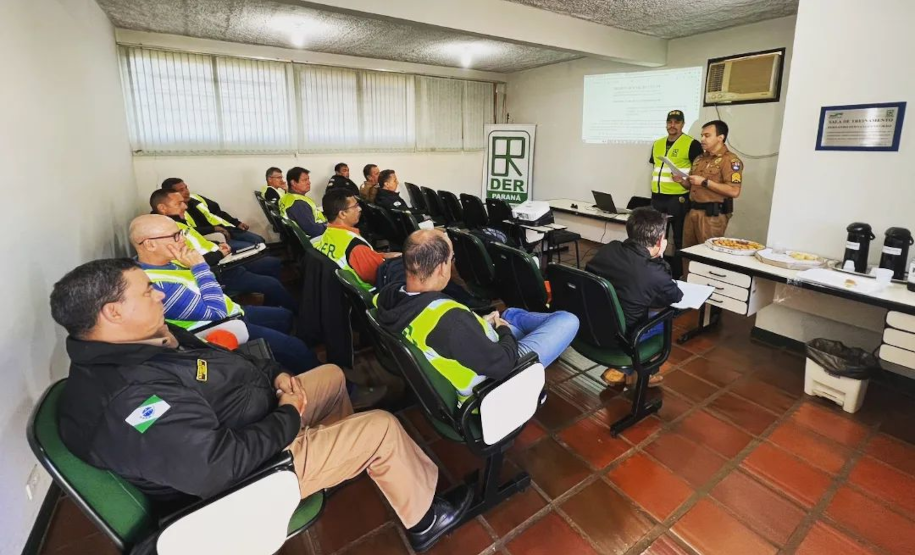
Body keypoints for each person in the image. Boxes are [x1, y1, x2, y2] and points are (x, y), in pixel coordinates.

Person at [49, 258, 472, 553]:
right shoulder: (132, 398)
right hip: (254, 472)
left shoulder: (145, 341)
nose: (159, 295)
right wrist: (288, 415)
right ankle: (426, 520)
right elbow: (220, 466)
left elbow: (219, 362)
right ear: (113, 313)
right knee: (380, 426)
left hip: (255, 414)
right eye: (146, 291)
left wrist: (274, 376)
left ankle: (334, 464)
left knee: (331, 376)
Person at [376, 230, 579, 405]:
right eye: (451, 259)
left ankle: (509, 318)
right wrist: (503, 330)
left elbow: (452, 332)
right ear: (440, 268)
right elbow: (503, 364)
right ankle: (527, 373)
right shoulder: (451, 322)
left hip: (474, 347)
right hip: (494, 383)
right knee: (568, 320)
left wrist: (484, 324)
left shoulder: (389, 294)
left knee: (511, 314)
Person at [131, 214, 320, 375]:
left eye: (181, 233)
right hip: (217, 327)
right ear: (149, 245)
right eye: (175, 236)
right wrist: (199, 266)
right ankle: (332, 386)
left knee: (285, 317)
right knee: (297, 349)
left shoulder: (168, 261)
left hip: (231, 311)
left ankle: (278, 361)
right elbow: (216, 312)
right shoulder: (157, 285)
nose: (182, 240)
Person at [150, 189, 298, 312]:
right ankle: (297, 314)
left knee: (271, 263)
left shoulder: (177, 223)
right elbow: (192, 261)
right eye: (179, 203)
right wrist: (219, 253)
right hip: (220, 271)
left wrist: (217, 245)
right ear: (163, 208)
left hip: (223, 259)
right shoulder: (167, 234)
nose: (185, 207)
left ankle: (273, 308)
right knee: (271, 283)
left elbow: (198, 243)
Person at [585, 207, 683, 387]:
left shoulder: (609, 249)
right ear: (660, 240)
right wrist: (659, 259)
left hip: (591, 325)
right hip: (621, 339)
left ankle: (622, 371)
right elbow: (675, 296)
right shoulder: (654, 273)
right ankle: (641, 372)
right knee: (666, 317)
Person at [673, 120, 744, 254]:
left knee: (707, 256)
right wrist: (681, 181)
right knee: (687, 254)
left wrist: (705, 182)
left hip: (712, 216)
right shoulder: (700, 158)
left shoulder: (730, 160)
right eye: (702, 135)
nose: (702, 139)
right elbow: (693, 186)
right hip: (692, 212)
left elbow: (734, 191)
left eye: (707, 135)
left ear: (720, 138)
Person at [648, 110, 703, 279]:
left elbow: (697, 169)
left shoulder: (691, 144)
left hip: (678, 197)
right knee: (655, 236)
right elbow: (656, 168)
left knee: (678, 238)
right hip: (658, 196)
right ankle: (654, 270)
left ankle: (678, 274)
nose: (672, 125)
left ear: (682, 124)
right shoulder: (657, 143)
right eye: (669, 122)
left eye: (676, 122)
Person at [314, 188, 402, 290]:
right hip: (373, 295)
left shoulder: (329, 234)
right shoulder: (355, 246)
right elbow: (380, 277)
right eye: (355, 206)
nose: (359, 209)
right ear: (342, 214)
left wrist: (381, 255)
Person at [161, 178, 265, 250]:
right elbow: (188, 231)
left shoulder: (196, 198)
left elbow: (217, 212)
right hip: (213, 237)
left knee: (259, 240)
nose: (186, 192)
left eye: (186, 188)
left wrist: (236, 223)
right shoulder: (173, 212)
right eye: (181, 190)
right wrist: (213, 229)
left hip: (228, 228)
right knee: (249, 246)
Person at [279, 167, 327, 238]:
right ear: (293, 183)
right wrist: (329, 226)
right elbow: (313, 230)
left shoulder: (286, 197)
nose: (309, 182)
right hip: (314, 239)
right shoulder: (299, 204)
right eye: (305, 180)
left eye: (308, 179)